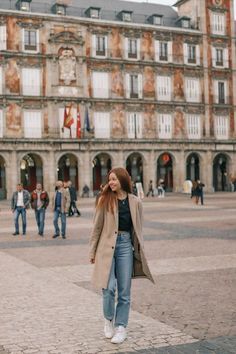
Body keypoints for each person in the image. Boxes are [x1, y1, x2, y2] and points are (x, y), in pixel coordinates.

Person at [89, 167, 154, 344]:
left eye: (114, 179)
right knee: (108, 288)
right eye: (109, 179)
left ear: (123, 180)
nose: (111, 182)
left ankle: (121, 327)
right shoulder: (104, 200)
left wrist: (138, 250)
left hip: (126, 246)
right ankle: (108, 319)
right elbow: (96, 228)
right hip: (105, 247)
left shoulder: (135, 202)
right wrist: (92, 251)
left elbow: (138, 229)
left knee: (124, 291)